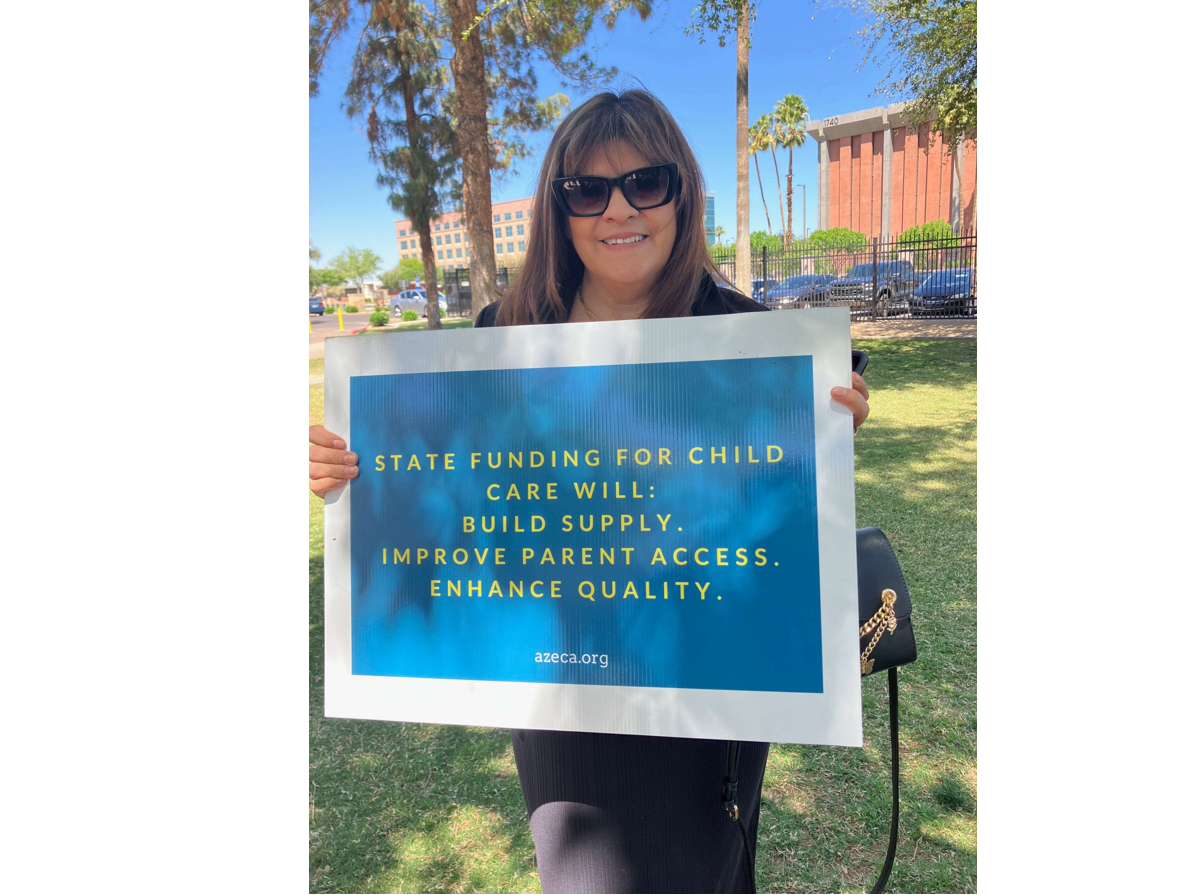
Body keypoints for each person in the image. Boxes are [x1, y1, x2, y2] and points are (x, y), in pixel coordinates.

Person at [309, 89, 870, 893]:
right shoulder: (502, 336)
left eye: (647, 182)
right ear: (558, 210)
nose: (618, 209)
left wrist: (835, 423)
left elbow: (788, 495)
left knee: (703, 872)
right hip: (561, 697)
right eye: (587, 190)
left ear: (683, 195)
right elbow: (442, 492)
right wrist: (345, 470)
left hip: (703, 687)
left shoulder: (752, 339)